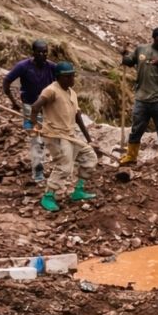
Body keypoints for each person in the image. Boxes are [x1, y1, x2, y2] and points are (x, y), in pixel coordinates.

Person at [29, 62, 97, 212]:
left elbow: (77, 116)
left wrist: (89, 139)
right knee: (65, 166)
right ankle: (48, 196)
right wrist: (35, 125)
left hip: (69, 135)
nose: (71, 79)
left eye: (73, 75)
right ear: (59, 77)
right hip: (55, 135)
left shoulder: (71, 92)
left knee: (90, 157)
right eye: (67, 77)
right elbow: (35, 107)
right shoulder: (51, 90)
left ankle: (78, 191)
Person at [120, 27, 158, 164]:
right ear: (156, 38)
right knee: (136, 129)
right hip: (141, 98)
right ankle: (131, 156)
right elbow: (130, 61)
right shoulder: (141, 49)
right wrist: (124, 56)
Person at [3, 39, 57, 182]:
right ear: (33, 53)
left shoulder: (51, 67)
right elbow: (6, 81)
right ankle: (38, 172)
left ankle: (52, 168)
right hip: (30, 108)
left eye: (45, 52)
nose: (43, 55)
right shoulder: (23, 66)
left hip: (47, 108)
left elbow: (64, 80)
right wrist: (13, 102)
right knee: (36, 140)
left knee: (47, 139)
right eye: (39, 52)